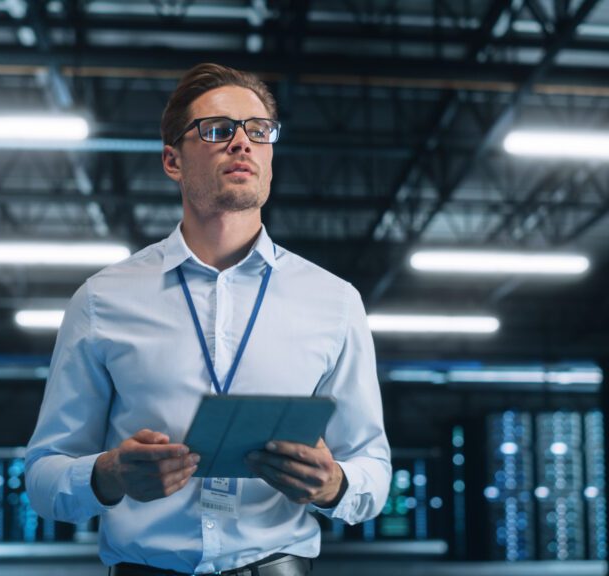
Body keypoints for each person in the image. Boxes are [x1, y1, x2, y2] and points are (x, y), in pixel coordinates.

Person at [25, 63, 391, 576]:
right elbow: (43, 476)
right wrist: (109, 474)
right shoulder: (101, 300)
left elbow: (373, 469)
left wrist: (335, 485)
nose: (242, 142)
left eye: (258, 130)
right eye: (218, 130)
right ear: (173, 161)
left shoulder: (334, 301)